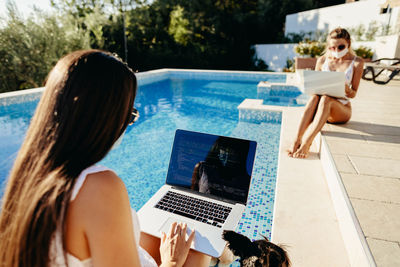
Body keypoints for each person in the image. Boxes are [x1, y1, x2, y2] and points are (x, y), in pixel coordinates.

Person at [0, 50, 210, 267]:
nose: (128, 124)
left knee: (167, 235)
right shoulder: (99, 187)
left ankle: (224, 257)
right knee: (199, 252)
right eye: (130, 116)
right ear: (107, 120)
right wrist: (172, 262)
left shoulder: (27, 176)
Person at [288, 27, 364, 158]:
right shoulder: (322, 60)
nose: (336, 51)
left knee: (326, 99)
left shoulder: (357, 62)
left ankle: (307, 143)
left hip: (341, 110)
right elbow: (314, 90)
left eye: (340, 47)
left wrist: (347, 89)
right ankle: (296, 140)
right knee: (315, 98)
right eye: (332, 48)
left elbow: (353, 94)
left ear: (348, 44)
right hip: (321, 109)